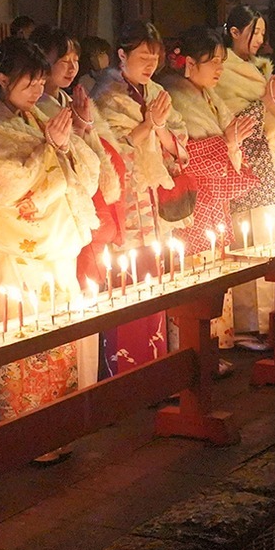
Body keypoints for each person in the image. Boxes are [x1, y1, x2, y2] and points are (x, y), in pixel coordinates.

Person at [0, 37, 101, 419]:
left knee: (59, 329)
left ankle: (59, 421)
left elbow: (81, 169)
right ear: (1, 79)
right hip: (17, 248)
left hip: (54, 241)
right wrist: (51, 148)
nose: (36, 90)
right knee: (24, 330)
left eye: (39, 82)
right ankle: (26, 423)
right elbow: (8, 184)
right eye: (28, 82)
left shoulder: (35, 115)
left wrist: (66, 142)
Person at [91, 22, 183, 373]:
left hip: (151, 198)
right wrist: (150, 125)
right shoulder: (107, 95)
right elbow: (111, 150)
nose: (150, 63)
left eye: (155, 57)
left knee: (152, 272)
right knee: (125, 275)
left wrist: (159, 129)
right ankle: (126, 368)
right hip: (125, 200)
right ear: (122, 55)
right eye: (143, 56)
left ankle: (156, 361)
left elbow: (178, 137)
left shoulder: (155, 91)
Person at [216, 6, 275, 345]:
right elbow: (231, 119)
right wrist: (267, 103)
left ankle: (268, 321)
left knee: (268, 240)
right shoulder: (223, 71)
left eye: (263, 33)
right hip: (246, 164)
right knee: (248, 242)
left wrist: (272, 103)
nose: (260, 39)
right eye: (254, 31)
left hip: (268, 164)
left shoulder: (258, 70)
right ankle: (250, 324)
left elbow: (271, 112)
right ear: (234, 31)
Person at [159, 26, 264, 261]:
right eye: (214, 61)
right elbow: (179, 156)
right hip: (192, 204)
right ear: (190, 63)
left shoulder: (208, 95)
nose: (220, 68)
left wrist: (232, 144)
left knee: (217, 270)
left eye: (221, 62)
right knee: (196, 274)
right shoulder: (173, 97)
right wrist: (226, 143)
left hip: (214, 204)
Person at [30, 25, 122, 286]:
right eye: (62, 61)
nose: (72, 69)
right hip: (60, 211)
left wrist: (83, 127)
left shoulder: (65, 100)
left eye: (75, 61)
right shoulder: (36, 107)